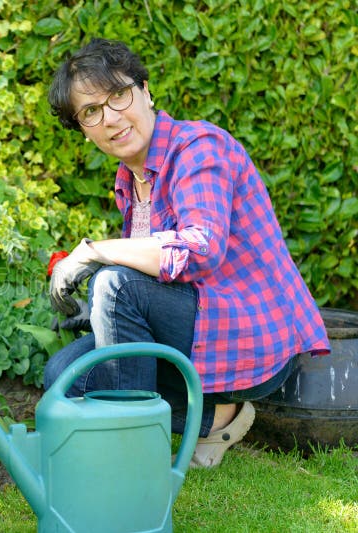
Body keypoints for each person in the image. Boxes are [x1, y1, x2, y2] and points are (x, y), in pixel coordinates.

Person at [43, 38, 330, 467]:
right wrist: (95, 311)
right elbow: (154, 283)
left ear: (145, 89)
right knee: (63, 377)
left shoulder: (198, 147)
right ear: (83, 130)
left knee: (115, 284)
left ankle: (132, 457)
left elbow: (201, 250)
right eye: (91, 112)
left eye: (118, 95)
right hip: (200, 323)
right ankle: (215, 417)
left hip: (247, 331)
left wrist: (94, 253)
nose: (111, 118)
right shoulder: (130, 182)